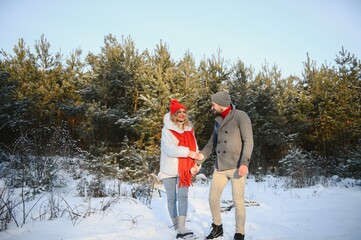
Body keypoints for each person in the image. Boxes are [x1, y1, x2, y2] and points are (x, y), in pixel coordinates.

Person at [196, 91, 254, 240]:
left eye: (213, 105)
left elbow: (249, 141)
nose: (211, 108)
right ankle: (217, 228)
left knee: (238, 201)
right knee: (213, 198)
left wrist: (244, 163)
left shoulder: (240, 116)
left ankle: (239, 233)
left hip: (237, 167)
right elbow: (212, 143)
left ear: (221, 104)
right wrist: (200, 157)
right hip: (220, 167)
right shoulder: (218, 120)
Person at [158, 99, 202, 239]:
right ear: (174, 114)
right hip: (169, 168)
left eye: (184, 112)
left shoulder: (189, 130)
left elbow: (195, 148)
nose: (182, 114)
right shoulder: (167, 130)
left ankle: (182, 227)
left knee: (183, 196)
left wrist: (196, 165)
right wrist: (189, 153)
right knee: (172, 198)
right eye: (179, 112)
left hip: (185, 170)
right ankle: (176, 226)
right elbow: (170, 149)